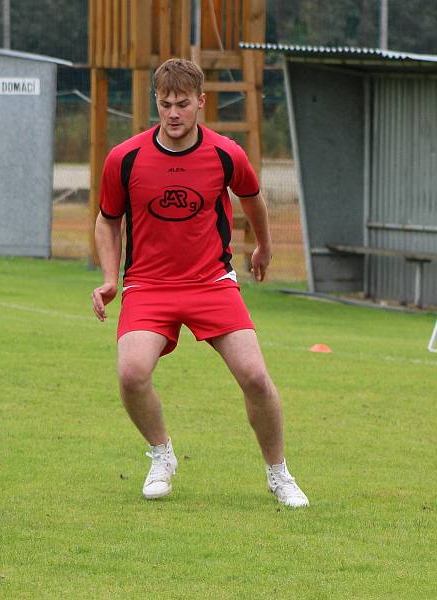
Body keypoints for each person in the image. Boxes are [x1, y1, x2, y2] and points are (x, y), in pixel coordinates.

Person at [91, 59, 309, 508]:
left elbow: (254, 200)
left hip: (212, 283)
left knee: (255, 377)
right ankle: (161, 454)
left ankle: (278, 473)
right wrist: (111, 278)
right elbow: (106, 221)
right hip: (149, 286)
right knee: (132, 374)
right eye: (165, 103)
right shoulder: (125, 157)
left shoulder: (226, 153)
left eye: (183, 104)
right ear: (157, 101)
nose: (173, 113)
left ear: (201, 103)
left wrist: (264, 247)